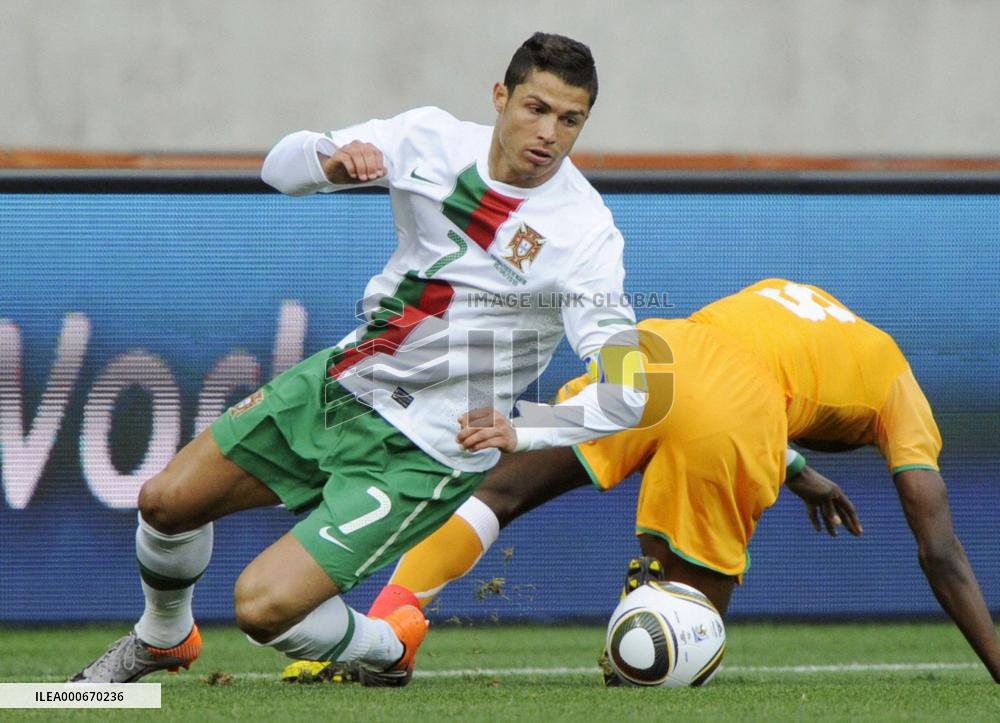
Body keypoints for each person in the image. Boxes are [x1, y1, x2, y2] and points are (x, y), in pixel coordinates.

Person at [69, 32, 648, 686]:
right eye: (535, 108)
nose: (548, 132)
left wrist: (526, 429)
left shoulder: (585, 234)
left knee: (262, 606)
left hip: (425, 445)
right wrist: (328, 162)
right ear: (500, 96)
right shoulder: (429, 139)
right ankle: (162, 636)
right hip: (345, 383)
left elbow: (633, 389)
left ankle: (386, 644)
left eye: (570, 119)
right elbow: (279, 167)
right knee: (166, 502)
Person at [285, 278, 1000, 685]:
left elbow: (737, 365)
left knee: (497, 489)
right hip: (734, 408)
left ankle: (389, 629)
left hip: (660, 348)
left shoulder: (804, 298)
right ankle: (644, 644)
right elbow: (939, 548)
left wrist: (797, 467)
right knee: (688, 625)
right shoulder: (900, 389)